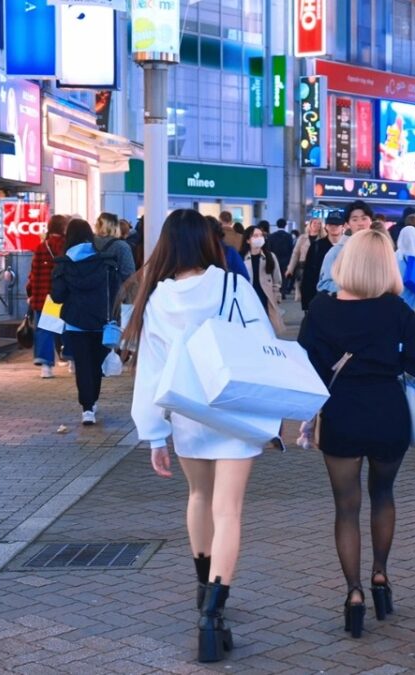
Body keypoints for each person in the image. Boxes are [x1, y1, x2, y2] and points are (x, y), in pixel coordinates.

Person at [126, 208, 274, 663]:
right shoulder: (231, 286)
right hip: (233, 410)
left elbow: (150, 372)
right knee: (228, 510)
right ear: (208, 242)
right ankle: (213, 611)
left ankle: (201, 586)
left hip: (187, 414)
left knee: (198, 498)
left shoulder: (155, 299)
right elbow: (264, 344)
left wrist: (153, 434)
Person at [297, 228, 415, 639]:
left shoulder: (321, 309)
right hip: (388, 412)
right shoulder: (396, 310)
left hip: (340, 412)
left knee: (345, 508)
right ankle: (380, 576)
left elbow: (308, 368)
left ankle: (353, 593)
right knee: (383, 496)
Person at [51, 218, 135, 425]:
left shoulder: (63, 264)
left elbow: (58, 296)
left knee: (83, 364)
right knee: (95, 364)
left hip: (75, 322)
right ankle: (92, 401)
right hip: (102, 322)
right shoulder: (106, 262)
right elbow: (115, 291)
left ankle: (87, 408)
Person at [26, 214, 68, 378]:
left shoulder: (41, 247)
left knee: (45, 330)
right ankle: (71, 360)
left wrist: (30, 293)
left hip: (45, 295)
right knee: (67, 327)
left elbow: (34, 274)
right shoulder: (67, 246)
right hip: (64, 294)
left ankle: (46, 366)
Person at [318, 201, 373, 293]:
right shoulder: (337, 251)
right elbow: (324, 285)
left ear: (371, 221)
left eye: (364, 218)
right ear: (347, 224)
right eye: (355, 219)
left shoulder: (380, 249)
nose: (360, 223)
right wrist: (355, 288)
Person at [240, 225, 286, 334]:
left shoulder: (270, 256)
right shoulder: (241, 257)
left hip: (266, 298)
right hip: (248, 297)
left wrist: (276, 296)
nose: (259, 238)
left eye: (261, 235)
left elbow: (277, 279)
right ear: (247, 240)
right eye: (255, 236)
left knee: (267, 329)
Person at [304, 216, 344, 308]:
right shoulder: (316, 246)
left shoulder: (350, 246)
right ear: (326, 226)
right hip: (321, 294)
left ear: (343, 226)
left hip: (343, 296)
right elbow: (308, 274)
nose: (334, 227)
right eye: (331, 225)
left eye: (337, 225)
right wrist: (306, 302)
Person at [286, 218, 322, 306]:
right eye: (314, 223)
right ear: (310, 224)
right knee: (304, 288)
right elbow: (295, 254)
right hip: (303, 266)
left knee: (315, 290)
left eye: (319, 223)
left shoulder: (323, 238)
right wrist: (290, 268)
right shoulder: (302, 238)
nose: (316, 225)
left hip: (317, 266)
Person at [267, 219, 295, 299]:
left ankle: (275, 291)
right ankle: (283, 292)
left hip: (274, 258)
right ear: (285, 225)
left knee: (274, 275)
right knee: (284, 276)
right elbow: (291, 249)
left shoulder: (271, 236)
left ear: (277, 225)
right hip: (286, 259)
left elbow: (269, 248)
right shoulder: (289, 236)